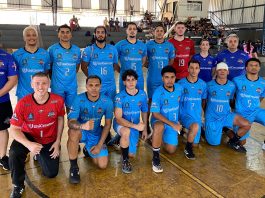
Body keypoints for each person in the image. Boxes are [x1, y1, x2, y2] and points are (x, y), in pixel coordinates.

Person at [9, 72, 65, 198]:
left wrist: (57, 142)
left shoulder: (58, 100)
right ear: (31, 85)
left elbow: (61, 119)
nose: (41, 86)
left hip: (48, 137)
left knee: (51, 174)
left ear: (49, 84)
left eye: (44, 83)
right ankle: (18, 185)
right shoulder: (23, 103)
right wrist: (29, 145)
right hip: (29, 135)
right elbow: (14, 129)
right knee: (14, 152)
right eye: (37, 83)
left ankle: (39, 155)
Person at [67, 75, 113, 184]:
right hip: (81, 131)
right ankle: (74, 167)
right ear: (86, 86)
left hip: (95, 134)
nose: (94, 88)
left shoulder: (107, 102)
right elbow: (70, 122)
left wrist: (99, 145)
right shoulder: (78, 99)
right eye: (90, 85)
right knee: (73, 132)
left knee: (102, 165)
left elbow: (107, 125)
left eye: (97, 85)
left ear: (100, 87)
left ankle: (88, 149)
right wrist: (83, 126)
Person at [204, 62, 251, 152]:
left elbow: (231, 100)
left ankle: (233, 141)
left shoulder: (232, 85)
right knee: (213, 143)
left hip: (226, 115)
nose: (222, 71)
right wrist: (207, 116)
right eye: (220, 70)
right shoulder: (208, 85)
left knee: (246, 124)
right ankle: (219, 128)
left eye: (224, 70)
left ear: (228, 72)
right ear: (216, 72)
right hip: (213, 118)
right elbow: (204, 101)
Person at [113, 70, 148, 173]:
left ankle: (119, 140)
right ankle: (125, 161)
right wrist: (136, 127)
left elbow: (145, 111)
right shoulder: (119, 97)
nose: (131, 82)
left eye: (133, 79)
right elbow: (118, 118)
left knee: (131, 154)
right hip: (121, 124)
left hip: (134, 126)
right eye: (128, 80)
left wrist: (145, 129)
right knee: (126, 132)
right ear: (124, 82)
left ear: (136, 81)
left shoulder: (142, 94)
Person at [150, 66, 182, 173]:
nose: (170, 80)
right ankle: (155, 158)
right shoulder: (158, 93)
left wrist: (178, 122)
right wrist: (172, 124)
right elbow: (155, 114)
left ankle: (155, 139)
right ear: (162, 78)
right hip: (159, 120)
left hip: (173, 123)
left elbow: (180, 105)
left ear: (175, 78)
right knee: (159, 126)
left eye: (172, 77)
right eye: (167, 77)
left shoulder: (179, 88)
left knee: (171, 150)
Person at [146, 25, 175, 134]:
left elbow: (171, 60)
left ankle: (161, 122)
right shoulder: (148, 45)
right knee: (151, 101)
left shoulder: (169, 46)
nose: (159, 32)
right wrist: (150, 66)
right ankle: (148, 124)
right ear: (154, 32)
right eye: (157, 31)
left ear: (164, 32)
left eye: (161, 31)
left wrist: (166, 71)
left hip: (166, 79)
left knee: (164, 100)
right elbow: (144, 59)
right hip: (152, 78)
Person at [232, 58, 265, 150]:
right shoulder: (237, 80)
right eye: (251, 65)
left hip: (256, 111)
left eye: (256, 65)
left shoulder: (263, 83)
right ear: (246, 68)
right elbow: (231, 96)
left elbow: (261, 97)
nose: (254, 67)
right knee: (242, 142)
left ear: (259, 68)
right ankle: (228, 131)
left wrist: (255, 105)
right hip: (242, 113)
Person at [48, 24, 81, 113]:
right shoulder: (52, 49)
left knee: (71, 112)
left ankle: (71, 127)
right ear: (58, 34)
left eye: (67, 32)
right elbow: (49, 67)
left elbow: (77, 67)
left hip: (72, 86)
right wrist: (55, 80)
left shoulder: (77, 50)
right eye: (62, 32)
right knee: (57, 112)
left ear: (71, 34)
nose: (65, 34)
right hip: (57, 87)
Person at [12, 26, 50, 100]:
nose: (31, 37)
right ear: (24, 38)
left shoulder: (45, 54)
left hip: (40, 93)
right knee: (21, 112)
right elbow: (13, 74)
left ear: (37, 37)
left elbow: (46, 72)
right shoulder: (16, 54)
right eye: (28, 35)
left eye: (34, 35)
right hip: (23, 93)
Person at [81, 26, 119, 100]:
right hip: (96, 86)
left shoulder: (113, 49)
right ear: (94, 34)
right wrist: (92, 79)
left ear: (106, 35)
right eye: (98, 32)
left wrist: (108, 75)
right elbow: (83, 67)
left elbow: (115, 65)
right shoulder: (89, 50)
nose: (100, 34)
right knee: (97, 109)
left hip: (110, 85)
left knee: (110, 108)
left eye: (102, 32)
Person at [178, 60, 207, 150]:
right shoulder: (180, 84)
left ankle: (185, 132)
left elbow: (203, 100)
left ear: (199, 70)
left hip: (196, 116)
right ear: (188, 69)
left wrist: (201, 114)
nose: (194, 70)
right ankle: (183, 129)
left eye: (196, 68)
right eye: (191, 68)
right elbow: (177, 102)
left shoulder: (203, 84)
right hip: (184, 115)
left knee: (195, 145)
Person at [115, 22, 147, 91]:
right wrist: (121, 71)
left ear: (136, 31)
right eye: (130, 29)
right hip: (125, 78)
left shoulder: (142, 45)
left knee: (139, 99)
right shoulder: (120, 45)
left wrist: (138, 68)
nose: (132, 31)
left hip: (139, 78)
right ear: (126, 31)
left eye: (134, 29)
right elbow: (114, 61)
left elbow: (144, 61)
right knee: (124, 99)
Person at [0, 49, 17, 171]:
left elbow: (12, 79)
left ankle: (2, 157)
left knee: (2, 129)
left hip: (2, 101)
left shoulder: (7, 57)